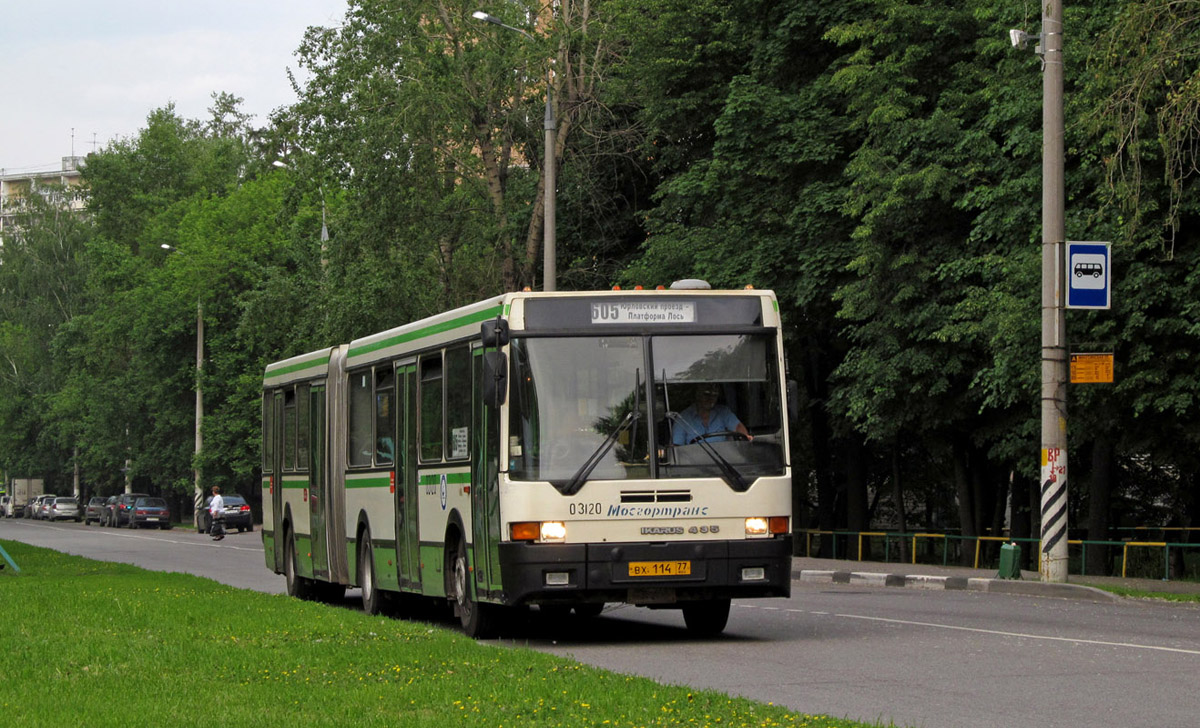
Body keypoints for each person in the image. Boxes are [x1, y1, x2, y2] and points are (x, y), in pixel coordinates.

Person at [672, 384, 752, 445]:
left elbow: (738, 427)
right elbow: (676, 448)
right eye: (706, 394)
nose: (710, 398)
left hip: (724, 462)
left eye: (714, 395)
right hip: (694, 464)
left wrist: (744, 437)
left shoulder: (723, 412)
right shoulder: (683, 418)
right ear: (697, 394)